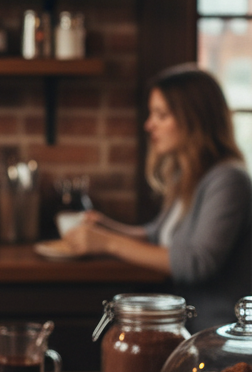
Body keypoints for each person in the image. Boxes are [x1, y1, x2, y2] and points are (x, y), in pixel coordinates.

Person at [64, 64, 251, 330]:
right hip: (183, 326)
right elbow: (159, 235)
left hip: (215, 335)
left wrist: (107, 243)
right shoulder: (189, 176)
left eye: (161, 115)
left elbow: (196, 262)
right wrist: (106, 226)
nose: (149, 124)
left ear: (195, 119)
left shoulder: (228, 179)